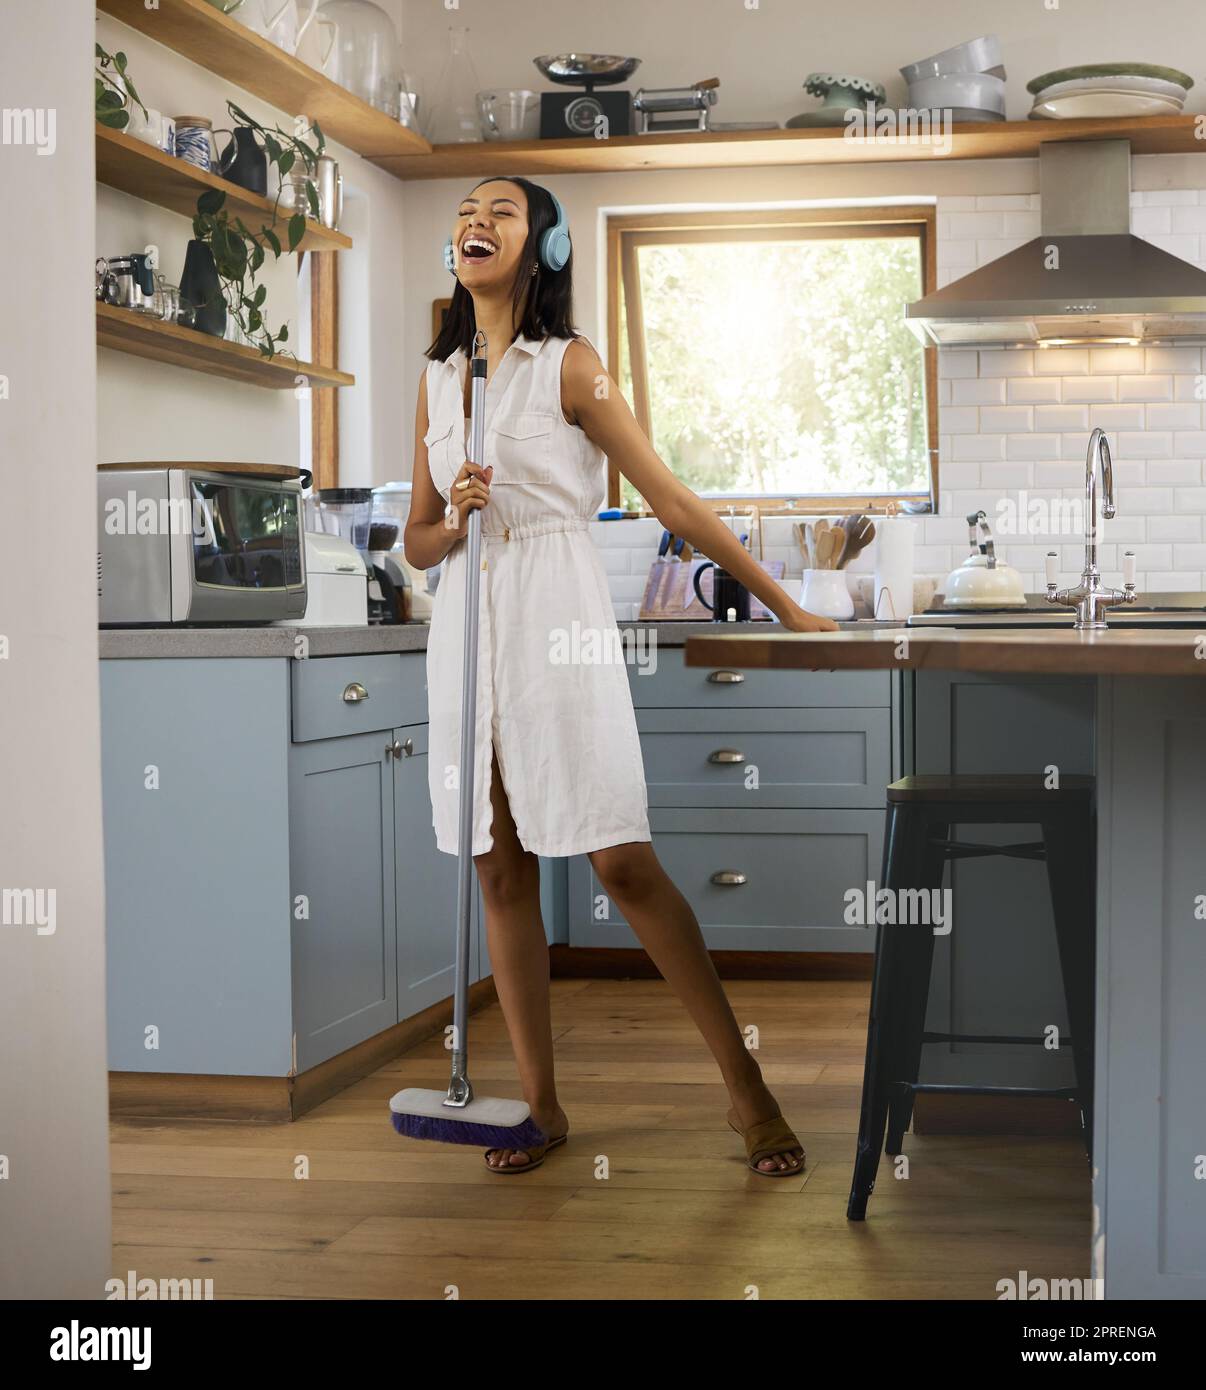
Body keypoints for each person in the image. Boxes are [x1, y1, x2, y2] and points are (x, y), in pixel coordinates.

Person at [404, 175, 837, 1177]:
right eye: (466, 211)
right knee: (498, 866)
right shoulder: (435, 378)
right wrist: (454, 512)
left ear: (544, 248)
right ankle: (543, 1108)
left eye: (500, 212)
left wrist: (784, 603)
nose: (475, 221)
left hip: (558, 621)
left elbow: (672, 499)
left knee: (621, 861)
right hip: (466, 627)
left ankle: (746, 1087)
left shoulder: (572, 368)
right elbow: (417, 544)